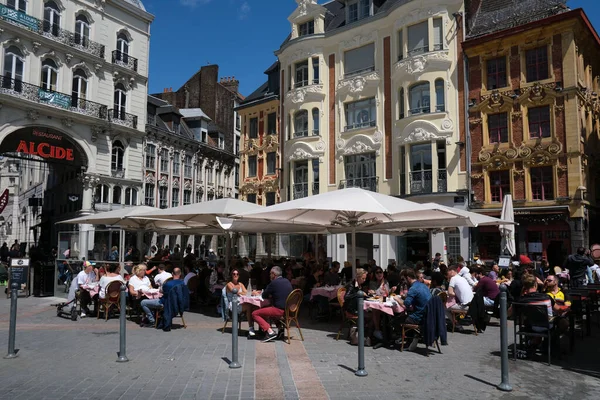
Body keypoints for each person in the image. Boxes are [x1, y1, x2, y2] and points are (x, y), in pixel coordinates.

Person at [250, 266, 293, 342]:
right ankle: (281, 331)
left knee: (254, 313)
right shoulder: (287, 281)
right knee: (269, 308)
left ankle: (270, 332)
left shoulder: (274, 283)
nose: (269, 275)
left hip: (279, 310)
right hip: (289, 310)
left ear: (273, 274)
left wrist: (257, 293)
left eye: (270, 274)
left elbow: (264, 295)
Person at [395, 268, 432, 351]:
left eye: (403, 279)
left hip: (419, 317)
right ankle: (413, 337)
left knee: (396, 320)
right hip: (427, 314)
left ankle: (409, 340)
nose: (403, 282)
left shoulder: (413, 288)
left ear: (408, 278)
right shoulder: (423, 286)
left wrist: (397, 299)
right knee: (404, 316)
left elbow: (406, 304)